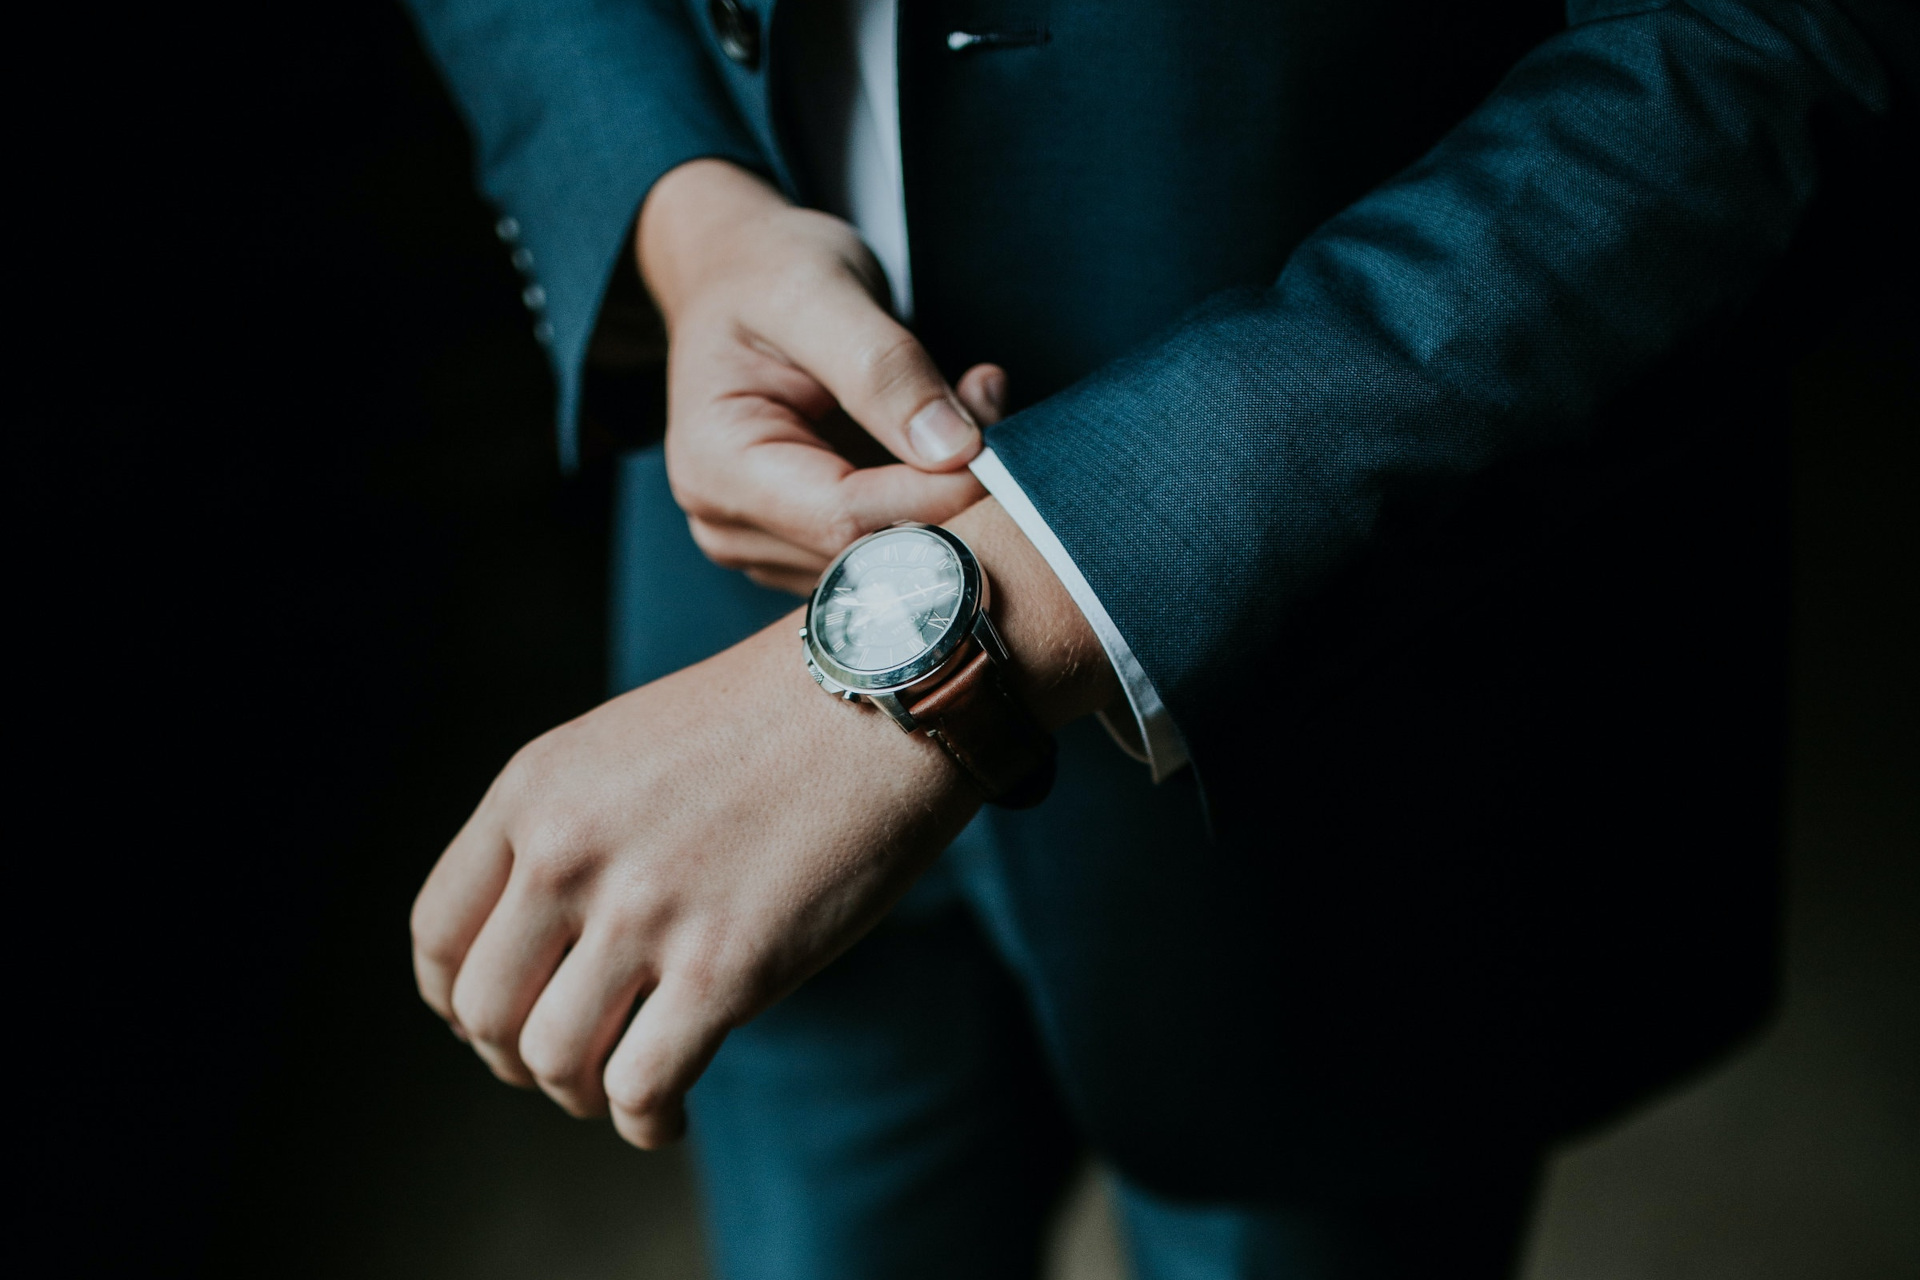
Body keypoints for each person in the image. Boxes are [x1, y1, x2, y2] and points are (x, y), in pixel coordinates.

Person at [401, 0, 1912, 1275]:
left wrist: (1030, 591)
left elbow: (1775, 39)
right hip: (719, 618)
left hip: (1346, 715)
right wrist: (674, 203)